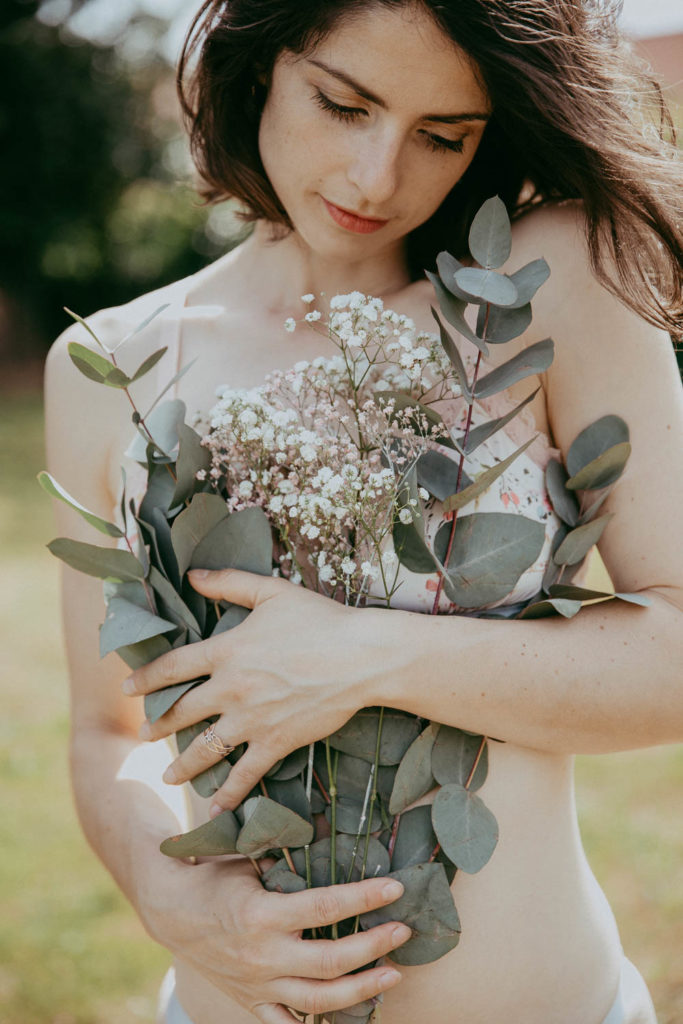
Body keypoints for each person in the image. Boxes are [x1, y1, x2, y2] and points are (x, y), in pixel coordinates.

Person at [44, 1, 683, 1023]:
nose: (377, 176)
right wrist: (172, 898)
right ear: (257, 63)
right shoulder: (114, 363)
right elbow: (104, 730)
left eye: (442, 136)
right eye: (343, 104)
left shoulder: (546, 282)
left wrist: (366, 656)